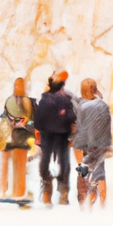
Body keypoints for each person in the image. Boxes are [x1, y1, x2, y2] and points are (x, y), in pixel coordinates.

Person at [33, 70, 76, 205]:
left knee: (45, 160)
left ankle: (47, 185)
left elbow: (37, 121)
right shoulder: (65, 99)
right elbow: (71, 117)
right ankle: (63, 191)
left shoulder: (44, 100)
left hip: (47, 136)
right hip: (62, 136)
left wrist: (43, 130)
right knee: (64, 162)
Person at [0, 77, 36, 198]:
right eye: (17, 85)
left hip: (22, 138)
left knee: (20, 166)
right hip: (10, 137)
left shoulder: (28, 102)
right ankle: (3, 190)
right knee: (6, 165)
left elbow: (30, 121)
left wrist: (24, 123)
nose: (19, 88)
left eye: (21, 85)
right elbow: (7, 117)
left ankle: (18, 192)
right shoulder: (10, 101)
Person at [72, 78, 112, 208]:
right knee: (99, 173)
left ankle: (87, 200)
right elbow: (107, 125)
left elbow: (75, 126)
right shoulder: (102, 105)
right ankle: (101, 203)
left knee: (85, 171)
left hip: (84, 144)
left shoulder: (78, 105)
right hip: (98, 144)